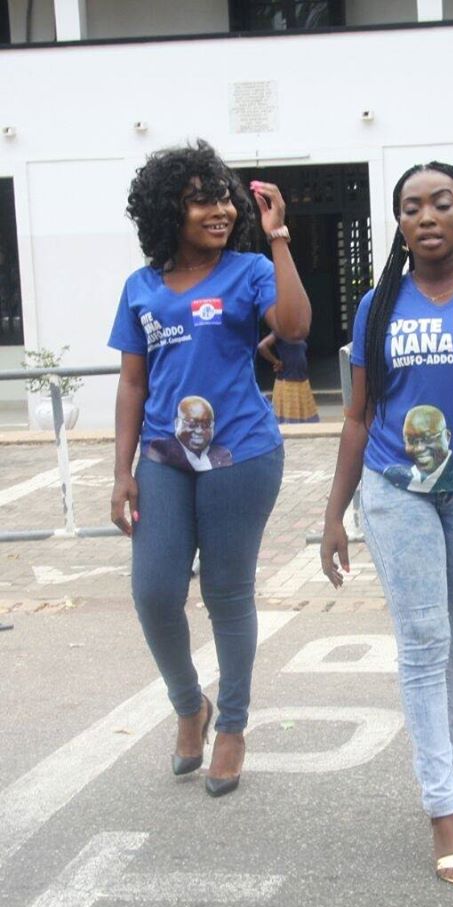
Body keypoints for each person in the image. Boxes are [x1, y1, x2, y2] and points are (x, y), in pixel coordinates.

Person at [320, 161, 453, 884]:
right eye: (412, 207)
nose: (427, 216)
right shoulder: (379, 306)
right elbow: (356, 417)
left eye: (441, 202)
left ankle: (448, 768)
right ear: (401, 223)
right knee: (423, 639)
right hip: (394, 488)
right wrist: (334, 514)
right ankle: (445, 807)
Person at [109, 141, 311, 798]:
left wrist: (278, 238)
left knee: (227, 594)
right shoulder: (140, 287)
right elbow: (133, 384)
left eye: (224, 197)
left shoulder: (249, 268)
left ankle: (233, 726)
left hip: (240, 455)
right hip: (164, 459)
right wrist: (122, 471)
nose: (220, 209)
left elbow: (295, 324)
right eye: (203, 198)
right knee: (153, 592)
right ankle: (188, 704)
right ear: (171, 209)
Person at [383, 404, 453, 492]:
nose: (419, 448)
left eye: (428, 438)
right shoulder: (395, 475)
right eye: (411, 441)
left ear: (447, 437)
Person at [146, 395, 233, 471]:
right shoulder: (162, 449)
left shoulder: (222, 455)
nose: (199, 431)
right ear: (177, 423)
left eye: (206, 424)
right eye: (192, 424)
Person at [257, 331, 320, 423]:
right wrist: (276, 361)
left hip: (302, 381)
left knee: (306, 420)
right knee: (289, 420)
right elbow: (262, 346)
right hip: (288, 382)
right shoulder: (280, 331)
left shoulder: (299, 333)